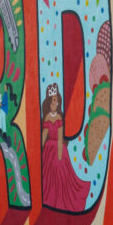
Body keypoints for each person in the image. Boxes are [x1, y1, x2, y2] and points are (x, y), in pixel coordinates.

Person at [40, 84, 91, 212]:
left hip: (59, 149)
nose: (56, 103)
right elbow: (43, 137)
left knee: (61, 170)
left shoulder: (59, 117)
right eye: (54, 100)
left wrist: (59, 155)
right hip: (48, 150)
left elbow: (60, 137)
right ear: (50, 102)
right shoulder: (46, 117)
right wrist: (39, 151)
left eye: (57, 100)